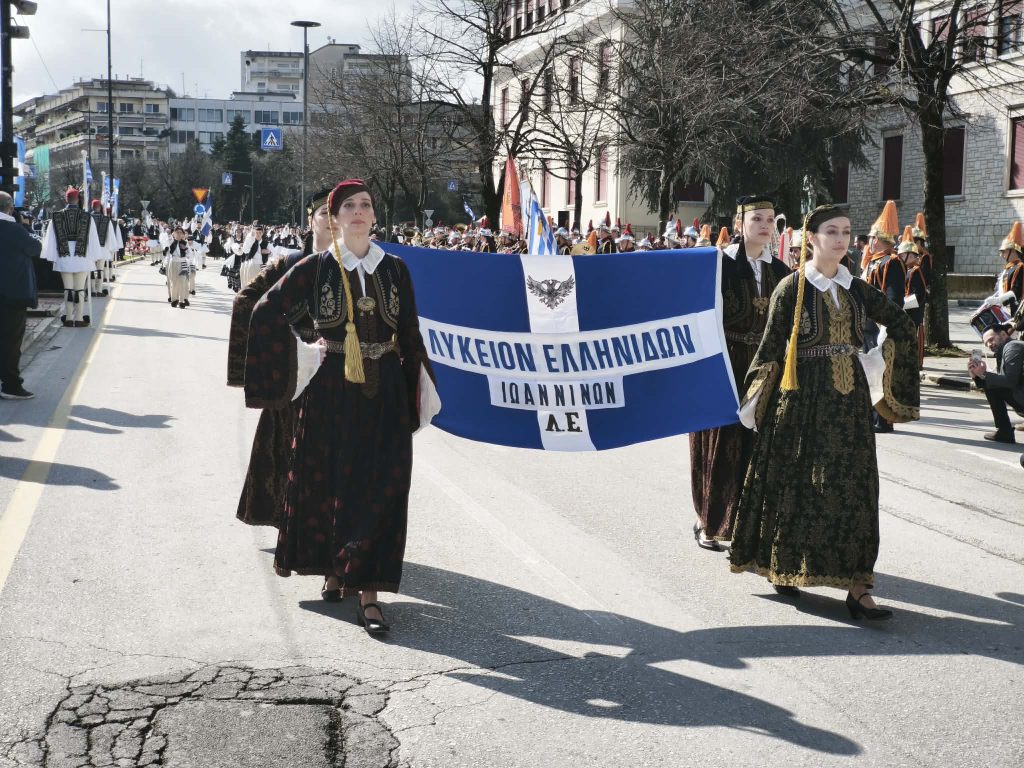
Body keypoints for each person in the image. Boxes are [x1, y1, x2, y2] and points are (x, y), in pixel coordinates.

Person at [245, 179, 438, 635]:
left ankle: (367, 591)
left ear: (375, 217)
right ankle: (337, 569)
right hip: (332, 386)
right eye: (347, 205)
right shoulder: (316, 267)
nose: (357, 211)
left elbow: (409, 334)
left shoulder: (395, 269)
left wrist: (418, 393)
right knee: (331, 480)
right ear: (333, 218)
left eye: (365, 205)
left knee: (381, 485)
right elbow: (266, 311)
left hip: (385, 387)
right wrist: (302, 356)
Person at [729, 205, 920, 619]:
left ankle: (859, 586)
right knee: (798, 487)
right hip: (801, 403)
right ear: (810, 238)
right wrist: (756, 402)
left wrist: (882, 368)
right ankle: (784, 565)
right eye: (831, 231)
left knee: (856, 490)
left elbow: (902, 325)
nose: (840, 239)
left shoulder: (857, 288)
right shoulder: (792, 288)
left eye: (846, 232)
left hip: (849, 406)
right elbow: (770, 351)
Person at [689, 196, 792, 551]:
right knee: (720, 442)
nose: (765, 225)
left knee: (758, 444)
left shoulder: (781, 270)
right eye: (757, 219)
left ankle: (749, 526)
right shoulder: (718, 264)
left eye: (770, 220)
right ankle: (710, 521)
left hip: (764, 364)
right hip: (725, 360)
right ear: (739, 224)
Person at [228, 187, 334, 530]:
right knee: (286, 448)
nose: (333, 221)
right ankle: (291, 523)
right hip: (296, 373)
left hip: (341, 373)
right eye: (324, 214)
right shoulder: (288, 263)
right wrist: (283, 352)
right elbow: (246, 303)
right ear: (310, 220)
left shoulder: (358, 265)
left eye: (339, 213)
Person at [861, 200, 905, 433]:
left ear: (876, 239)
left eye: (871, 238)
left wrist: (886, 324)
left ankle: (884, 419)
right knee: (871, 371)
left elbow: (894, 297)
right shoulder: (874, 262)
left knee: (881, 373)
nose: (869, 242)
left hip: (880, 326)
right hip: (868, 325)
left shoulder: (893, 263)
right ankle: (874, 414)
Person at [41, 187, 103, 328]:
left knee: (68, 288)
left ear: (66, 199)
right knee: (79, 288)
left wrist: (50, 255)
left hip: (64, 256)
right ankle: (79, 318)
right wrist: (95, 256)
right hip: (82, 256)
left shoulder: (56, 217)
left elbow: (50, 239)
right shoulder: (87, 217)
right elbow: (93, 239)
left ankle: (69, 318)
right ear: (78, 199)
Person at [0, 192, 41, 399]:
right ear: (10, 208)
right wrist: (25, 225)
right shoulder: (15, 230)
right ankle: (11, 385)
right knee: (11, 340)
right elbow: (35, 248)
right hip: (12, 294)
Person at [967, 318, 1024, 445]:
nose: (989, 345)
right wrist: (976, 376)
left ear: (1003, 334)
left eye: (991, 340)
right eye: (986, 343)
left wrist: (984, 374)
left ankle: (1004, 431)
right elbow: (1001, 381)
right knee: (990, 383)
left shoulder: (1012, 346)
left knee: (991, 385)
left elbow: (1009, 381)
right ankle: (1004, 431)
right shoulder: (1005, 350)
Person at [991, 221, 1024, 316]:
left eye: (1003, 251)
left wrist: (998, 300)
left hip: (1015, 315)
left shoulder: (1020, 267)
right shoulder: (1009, 268)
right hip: (1005, 312)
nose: (1001, 255)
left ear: (1012, 250)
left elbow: (1016, 293)